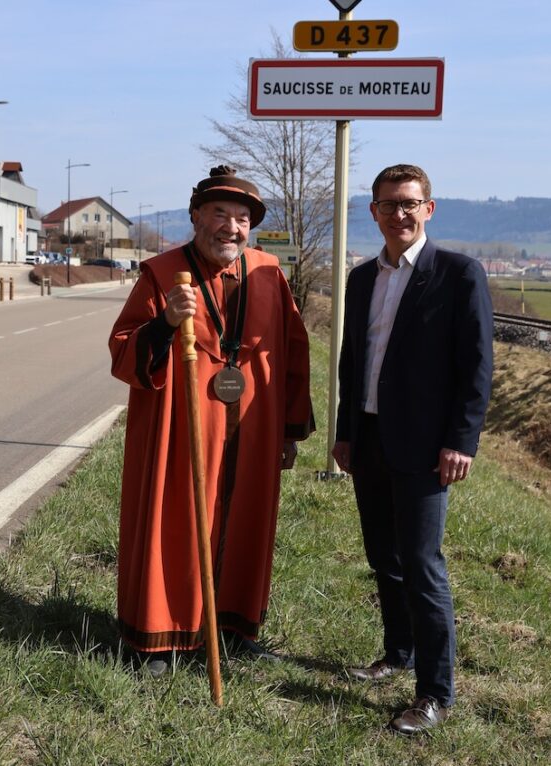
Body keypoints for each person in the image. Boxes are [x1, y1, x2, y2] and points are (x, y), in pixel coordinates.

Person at [109, 166, 315, 676]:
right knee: (174, 518)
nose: (231, 227)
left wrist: (289, 431)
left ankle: (231, 631)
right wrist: (164, 323)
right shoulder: (162, 274)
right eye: (220, 214)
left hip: (253, 429)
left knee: (246, 522)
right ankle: (161, 639)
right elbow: (123, 353)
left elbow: (293, 353)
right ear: (197, 216)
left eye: (242, 218)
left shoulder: (270, 274)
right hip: (179, 430)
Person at [332, 164, 493, 734]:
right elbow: (356, 362)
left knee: (424, 566)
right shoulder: (360, 278)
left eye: (409, 203)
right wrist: (346, 432)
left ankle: (434, 692)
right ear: (372, 212)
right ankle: (395, 654)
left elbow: (476, 368)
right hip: (370, 437)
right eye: (387, 204)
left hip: (427, 448)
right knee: (384, 557)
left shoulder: (458, 274)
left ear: (429, 208)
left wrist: (461, 441)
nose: (398, 214)